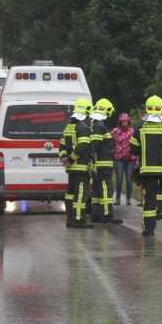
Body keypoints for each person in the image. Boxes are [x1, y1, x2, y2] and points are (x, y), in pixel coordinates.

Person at [129, 95, 162, 236]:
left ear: (147, 108)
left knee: (150, 198)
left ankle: (149, 229)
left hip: (148, 170)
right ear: (161, 109)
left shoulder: (140, 125)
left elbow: (133, 149)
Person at [59, 98, 94, 229]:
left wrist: (64, 158)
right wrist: (70, 159)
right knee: (80, 194)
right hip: (80, 167)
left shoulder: (68, 126)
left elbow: (61, 147)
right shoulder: (84, 127)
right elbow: (82, 146)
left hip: (71, 169)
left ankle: (70, 219)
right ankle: (79, 220)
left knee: (70, 193)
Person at [89, 98, 123, 224]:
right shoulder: (99, 126)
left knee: (97, 191)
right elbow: (94, 145)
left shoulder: (95, 124)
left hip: (99, 165)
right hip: (102, 165)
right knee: (106, 189)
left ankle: (96, 214)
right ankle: (107, 214)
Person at [111, 112, 135, 205]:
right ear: (120, 122)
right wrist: (114, 148)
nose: (124, 123)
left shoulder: (132, 131)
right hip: (119, 158)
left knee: (129, 179)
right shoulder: (115, 131)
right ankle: (117, 198)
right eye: (123, 121)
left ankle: (128, 198)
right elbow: (108, 140)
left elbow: (137, 142)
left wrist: (132, 148)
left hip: (129, 158)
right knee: (119, 179)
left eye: (126, 121)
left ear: (128, 121)